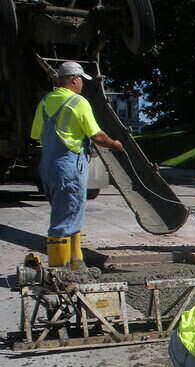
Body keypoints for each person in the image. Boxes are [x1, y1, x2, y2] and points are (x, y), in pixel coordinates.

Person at [30, 61, 123, 271]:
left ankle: (76, 262)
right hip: (69, 167)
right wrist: (115, 145)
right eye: (81, 79)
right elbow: (97, 136)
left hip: (48, 167)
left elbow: (37, 135)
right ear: (74, 79)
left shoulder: (45, 102)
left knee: (69, 212)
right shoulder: (78, 102)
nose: (82, 83)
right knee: (64, 219)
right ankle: (59, 270)